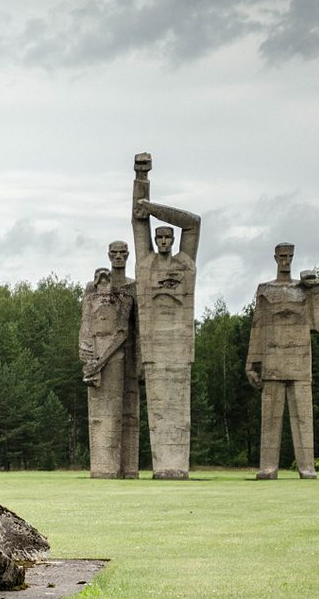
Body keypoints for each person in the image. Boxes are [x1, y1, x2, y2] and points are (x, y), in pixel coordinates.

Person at [131, 152, 200, 480]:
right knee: (158, 412)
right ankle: (163, 468)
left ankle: (178, 467)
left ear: (173, 238)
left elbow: (193, 222)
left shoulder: (185, 263)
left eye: (167, 237)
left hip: (180, 347)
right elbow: (137, 220)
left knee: (179, 413)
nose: (161, 241)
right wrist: (141, 179)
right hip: (155, 348)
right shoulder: (145, 265)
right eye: (158, 237)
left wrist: (153, 207)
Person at [247, 242, 319, 479]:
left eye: (289, 256)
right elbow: (257, 328)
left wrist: (316, 291)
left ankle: (307, 467)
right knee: (270, 420)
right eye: (282, 256)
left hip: (300, 362)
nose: (286, 261)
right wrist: (251, 363)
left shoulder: (304, 290)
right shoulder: (265, 290)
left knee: (303, 418)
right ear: (275, 258)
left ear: (293, 257)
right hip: (272, 360)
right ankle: (268, 467)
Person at [78, 242, 140, 479]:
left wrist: (103, 360)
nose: (118, 257)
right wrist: (86, 352)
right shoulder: (90, 296)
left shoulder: (127, 293)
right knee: (98, 417)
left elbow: (125, 332)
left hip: (120, 356)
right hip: (96, 354)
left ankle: (124, 468)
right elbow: (85, 325)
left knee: (123, 415)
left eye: (122, 253)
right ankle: (103, 468)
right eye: (114, 253)